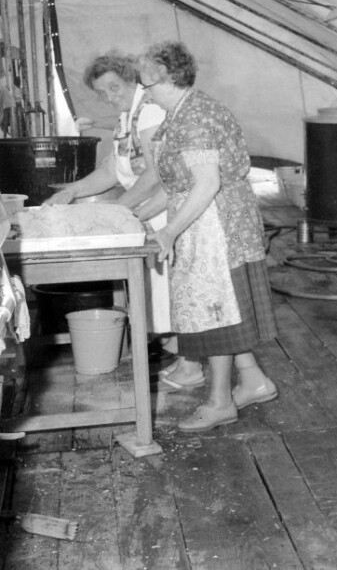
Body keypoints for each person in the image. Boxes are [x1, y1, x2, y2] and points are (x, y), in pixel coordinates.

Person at [135, 40, 277, 432]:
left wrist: (169, 230)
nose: (144, 93)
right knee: (217, 308)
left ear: (168, 80)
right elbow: (175, 183)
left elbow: (206, 183)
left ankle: (219, 403)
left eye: (147, 85)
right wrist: (134, 216)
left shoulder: (196, 116)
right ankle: (253, 380)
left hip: (216, 225)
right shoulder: (179, 114)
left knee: (217, 310)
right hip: (202, 220)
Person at [45, 53, 187, 383]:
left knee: (172, 292)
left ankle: (188, 359)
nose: (110, 96)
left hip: (165, 213)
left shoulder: (149, 111)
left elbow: (154, 175)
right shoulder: (127, 117)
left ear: (130, 79)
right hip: (144, 212)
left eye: (114, 87)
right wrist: (72, 192)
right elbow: (112, 170)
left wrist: (116, 211)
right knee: (159, 293)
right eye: (102, 92)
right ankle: (182, 356)